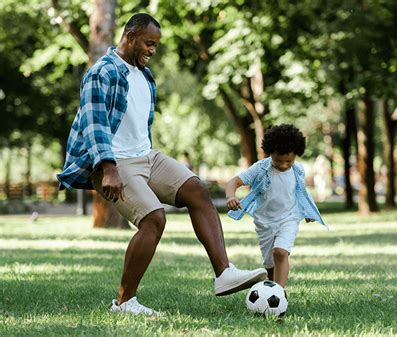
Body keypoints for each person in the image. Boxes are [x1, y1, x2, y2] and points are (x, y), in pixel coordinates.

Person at [57, 13, 266, 316]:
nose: (153, 50)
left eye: (155, 45)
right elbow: (94, 124)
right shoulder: (102, 72)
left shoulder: (144, 75)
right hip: (115, 162)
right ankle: (124, 302)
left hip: (146, 156)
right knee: (154, 219)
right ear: (129, 36)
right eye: (149, 43)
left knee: (197, 189)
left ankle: (224, 274)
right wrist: (108, 168)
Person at [226, 124, 327, 288]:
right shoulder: (260, 168)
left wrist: (307, 211)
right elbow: (234, 182)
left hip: (289, 218)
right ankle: (271, 288)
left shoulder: (297, 170)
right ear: (270, 152)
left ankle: (280, 293)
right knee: (269, 264)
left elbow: (301, 192)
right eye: (278, 161)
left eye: (289, 161)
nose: (284, 165)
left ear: (296, 154)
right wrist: (231, 196)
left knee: (280, 253)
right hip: (264, 222)